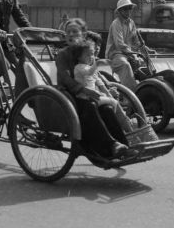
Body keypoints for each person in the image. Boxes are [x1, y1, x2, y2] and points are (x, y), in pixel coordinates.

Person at [55, 18, 131, 158]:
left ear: (83, 35)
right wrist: (83, 89)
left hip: (88, 93)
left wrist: (105, 89)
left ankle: (124, 144)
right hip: (69, 94)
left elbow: (94, 75)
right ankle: (112, 145)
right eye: (68, 32)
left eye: (75, 32)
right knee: (90, 106)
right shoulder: (62, 54)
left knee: (107, 108)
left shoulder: (86, 53)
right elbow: (65, 78)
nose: (71, 35)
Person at [72, 40, 134, 134]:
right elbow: (89, 72)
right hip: (86, 97)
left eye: (92, 54)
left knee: (113, 100)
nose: (91, 57)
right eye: (87, 55)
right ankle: (116, 123)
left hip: (94, 96)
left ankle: (127, 128)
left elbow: (98, 80)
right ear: (79, 57)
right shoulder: (79, 67)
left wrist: (108, 92)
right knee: (114, 102)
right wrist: (97, 64)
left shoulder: (88, 68)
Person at [105, 0, 142, 90]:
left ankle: (139, 85)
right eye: (125, 9)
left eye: (130, 8)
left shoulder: (131, 23)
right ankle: (131, 95)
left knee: (143, 62)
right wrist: (133, 54)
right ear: (120, 11)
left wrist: (144, 48)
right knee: (124, 64)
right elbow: (119, 44)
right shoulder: (116, 24)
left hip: (127, 53)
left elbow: (135, 40)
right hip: (115, 54)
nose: (128, 11)